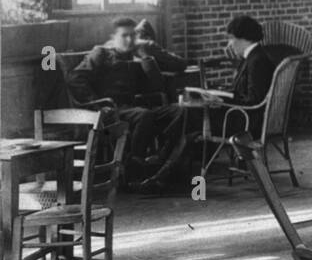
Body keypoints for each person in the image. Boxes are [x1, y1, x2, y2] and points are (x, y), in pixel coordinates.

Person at [141, 14, 274, 192]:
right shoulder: (254, 58)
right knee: (190, 124)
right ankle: (165, 172)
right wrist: (221, 95)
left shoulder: (257, 61)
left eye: (231, 39)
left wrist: (222, 100)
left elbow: (254, 100)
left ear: (243, 39)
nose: (230, 45)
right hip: (242, 116)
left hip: (246, 121)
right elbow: (246, 94)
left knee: (190, 115)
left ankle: (163, 166)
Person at [68, 17, 180, 183]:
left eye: (133, 36)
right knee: (144, 115)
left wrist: (145, 59)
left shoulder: (133, 57)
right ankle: (134, 167)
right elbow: (75, 78)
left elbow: (157, 86)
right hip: (112, 110)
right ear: (113, 37)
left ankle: (161, 161)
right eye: (124, 36)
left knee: (179, 111)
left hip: (134, 108)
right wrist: (98, 105)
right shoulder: (101, 53)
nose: (129, 40)